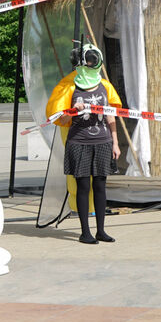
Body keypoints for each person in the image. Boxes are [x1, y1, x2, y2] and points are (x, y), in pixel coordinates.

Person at [46, 43, 122, 245]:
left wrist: (115, 142)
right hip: (79, 142)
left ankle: (101, 230)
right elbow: (60, 120)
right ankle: (84, 232)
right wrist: (72, 111)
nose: (90, 63)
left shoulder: (105, 86)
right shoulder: (70, 86)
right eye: (87, 59)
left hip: (103, 142)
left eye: (93, 59)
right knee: (82, 186)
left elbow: (111, 116)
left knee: (100, 185)